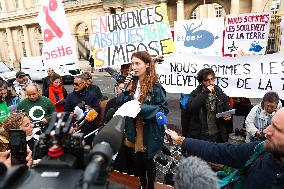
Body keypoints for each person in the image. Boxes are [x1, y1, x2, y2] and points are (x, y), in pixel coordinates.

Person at [166, 107, 284, 189]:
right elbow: (220, 151)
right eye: (271, 124)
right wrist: (181, 141)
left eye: (277, 129)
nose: (266, 131)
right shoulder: (261, 149)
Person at [117, 51, 168, 189]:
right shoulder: (132, 84)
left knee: (147, 160)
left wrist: (141, 108)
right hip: (133, 128)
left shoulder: (156, 87)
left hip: (149, 129)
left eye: (137, 63)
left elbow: (163, 111)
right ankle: (142, 184)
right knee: (138, 161)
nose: (134, 67)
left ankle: (150, 186)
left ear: (147, 65)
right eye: (132, 63)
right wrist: (125, 90)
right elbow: (120, 102)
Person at [186, 68, 231, 142]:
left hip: (217, 134)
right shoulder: (196, 93)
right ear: (201, 82)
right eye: (207, 80)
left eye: (212, 79)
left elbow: (227, 109)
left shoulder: (220, 93)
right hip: (201, 135)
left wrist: (227, 116)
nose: (211, 83)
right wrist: (205, 92)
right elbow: (190, 108)